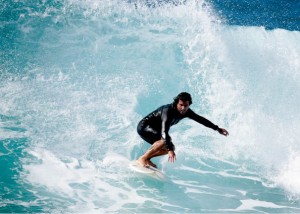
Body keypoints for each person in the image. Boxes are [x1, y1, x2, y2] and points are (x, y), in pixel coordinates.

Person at [136, 92, 229, 168]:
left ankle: (147, 158)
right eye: (181, 105)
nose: (183, 108)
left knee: (170, 147)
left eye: (186, 105)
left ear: (189, 104)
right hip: (144, 127)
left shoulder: (186, 112)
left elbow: (200, 119)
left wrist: (217, 128)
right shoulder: (167, 111)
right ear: (177, 103)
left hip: (156, 130)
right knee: (166, 143)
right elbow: (164, 132)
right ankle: (143, 159)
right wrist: (169, 149)